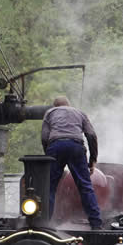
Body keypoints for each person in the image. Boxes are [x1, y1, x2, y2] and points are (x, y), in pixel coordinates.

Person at [41, 96, 103, 229]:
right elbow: (91, 135)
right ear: (68, 105)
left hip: (55, 147)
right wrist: (93, 160)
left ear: (55, 106)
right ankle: (96, 223)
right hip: (76, 147)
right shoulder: (80, 113)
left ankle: (44, 224)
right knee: (85, 186)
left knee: (49, 187)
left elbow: (44, 137)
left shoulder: (50, 113)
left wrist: (48, 157)